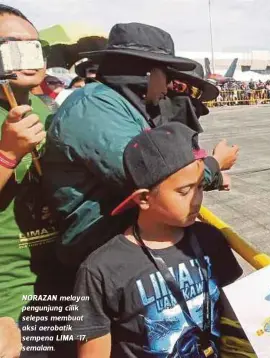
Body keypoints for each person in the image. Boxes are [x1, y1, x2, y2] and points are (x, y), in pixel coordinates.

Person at [70, 122, 243, 357]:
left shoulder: (210, 239)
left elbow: (236, 313)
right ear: (143, 199)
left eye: (201, 186)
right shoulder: (101, 270)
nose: (196, 200)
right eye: (184, 191)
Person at [40, 22, 200, 269]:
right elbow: (152, 174)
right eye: (166, 74)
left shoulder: (118, 104)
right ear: (147, 74)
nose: (169, 86)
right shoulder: (94, 108)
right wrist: (212, 166)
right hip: (98, 255)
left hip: (119, 249)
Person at [0, 5, 74, 357]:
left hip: (64, 282)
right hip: (13, 300)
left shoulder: (47, 109)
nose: (29, 56)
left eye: (35, 45)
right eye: (13, 45)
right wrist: (8, 154)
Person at [166, 62, 239, 191]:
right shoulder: (159, 128)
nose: (195, 102)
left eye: (198, 94)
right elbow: (169, 179)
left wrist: (215, 178)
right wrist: (217, 162)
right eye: (182, 88)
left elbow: (185, 172)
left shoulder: (178, 124)